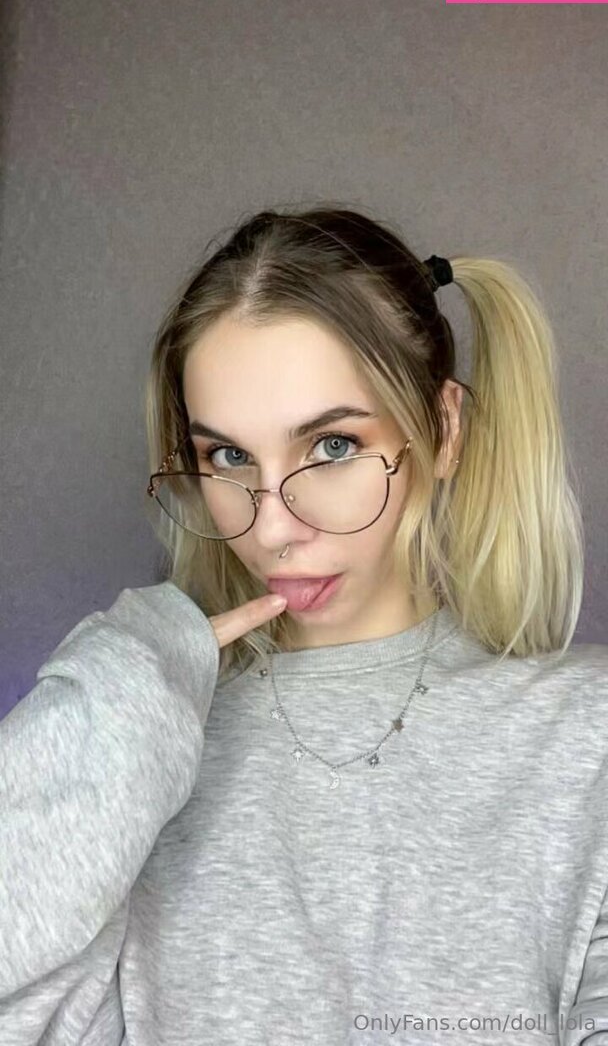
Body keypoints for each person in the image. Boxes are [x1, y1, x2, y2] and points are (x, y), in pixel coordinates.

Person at [1, 204, 606, 1045]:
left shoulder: (585, 738)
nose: (273, 527)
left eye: (331, 447)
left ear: (444, 429)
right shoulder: (135, 748)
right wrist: (125, 678)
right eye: (228, 456)